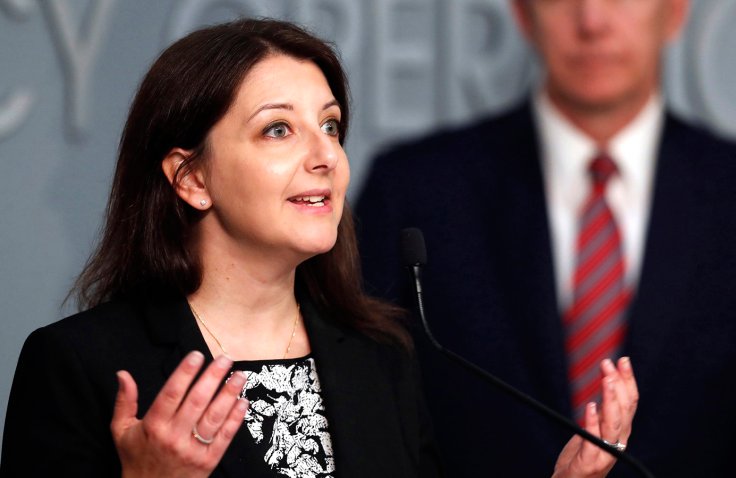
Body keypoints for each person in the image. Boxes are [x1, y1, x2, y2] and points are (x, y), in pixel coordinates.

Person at [0, 19, 639, 478]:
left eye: (330, 126)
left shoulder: (380, 355)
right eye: (279, 129)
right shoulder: (80, 365)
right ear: (192, 179)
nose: (325, 156)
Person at [355, 0, 736, 477]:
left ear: (673, 10)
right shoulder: (413, 193)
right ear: (523, 13)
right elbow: (368, 433)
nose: (592, 20)